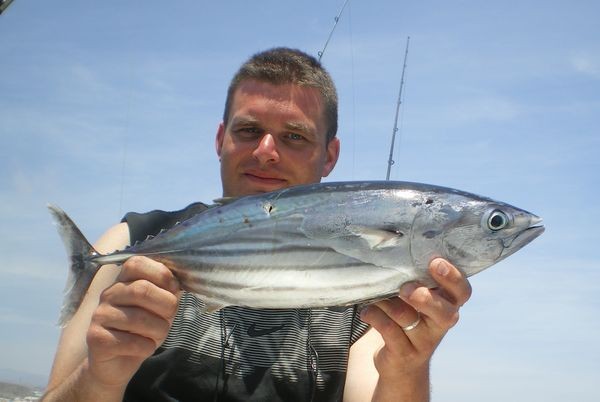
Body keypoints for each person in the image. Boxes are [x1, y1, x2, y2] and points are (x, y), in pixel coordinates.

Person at [42, 47, 472, 402]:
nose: (266, 150)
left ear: (329, 156)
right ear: (220, 139)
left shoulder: (376, 292)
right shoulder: (130, 242)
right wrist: (98, 377)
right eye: (249, 130)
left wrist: (406, 367)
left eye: (294, 136)